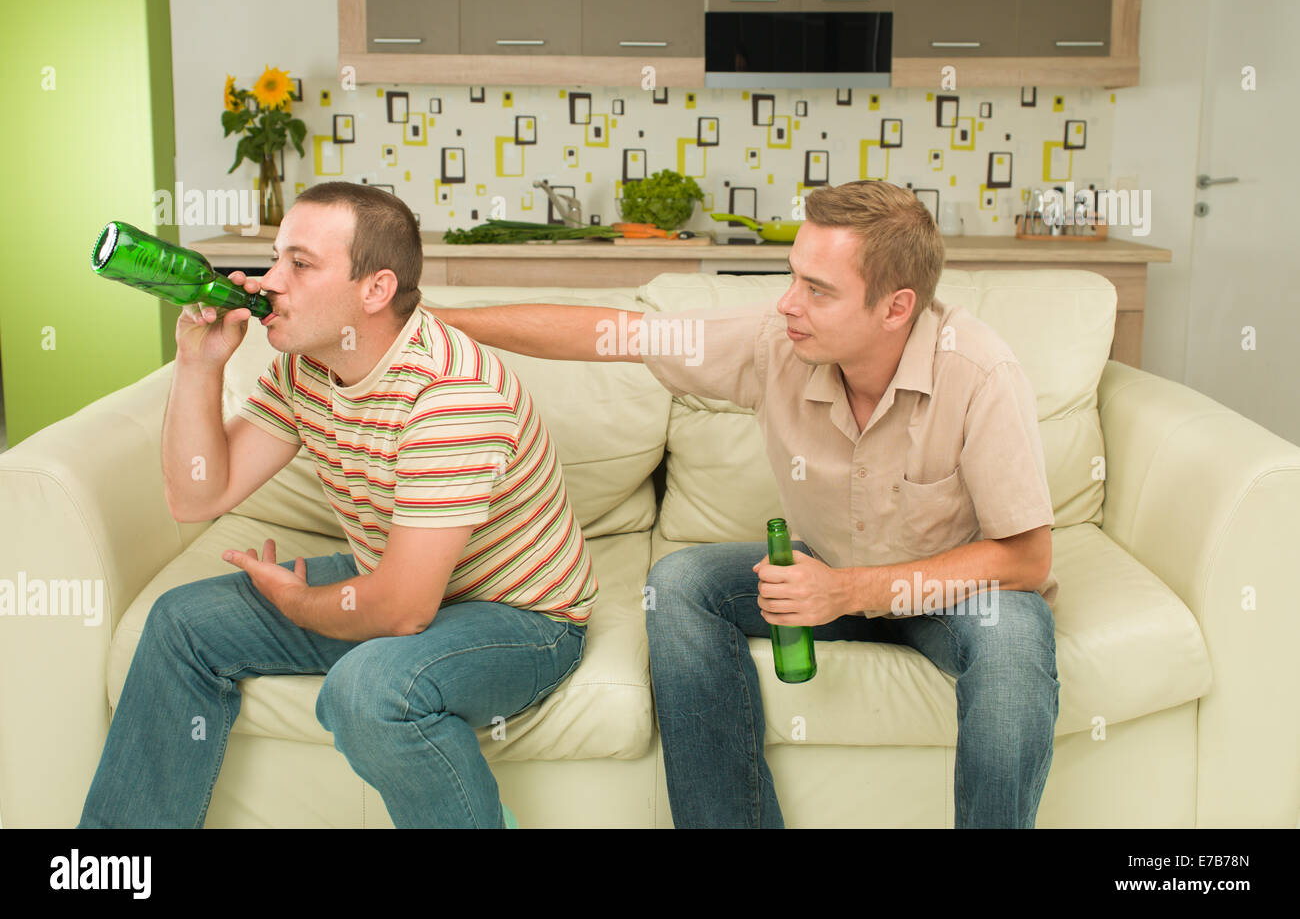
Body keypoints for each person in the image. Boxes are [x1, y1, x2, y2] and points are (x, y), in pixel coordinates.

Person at [429, 179, 1060, 828]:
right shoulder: (775, 341)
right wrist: (440, 322)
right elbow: (610, 334)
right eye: (794, 277)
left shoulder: (980, 370)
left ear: (896, 307)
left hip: (947, 589)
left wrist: (850, 590)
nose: (788, 303)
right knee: (678, 584)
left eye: (818, 290)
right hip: (828, 568)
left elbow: (1028, 556)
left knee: (1013, 633)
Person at [78, 181, 596, 829]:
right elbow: (197, 493)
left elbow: (404, 609)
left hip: (522, 619)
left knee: (369, 690)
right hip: (397, 581)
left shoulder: (452, 398)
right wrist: (199, 364)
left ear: (375, 289)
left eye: (300, 263)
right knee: (182, 623)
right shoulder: (309, 366)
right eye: (274, 257)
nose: (270, 280)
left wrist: (303, 605)